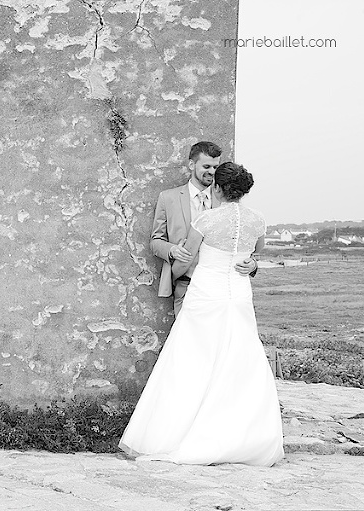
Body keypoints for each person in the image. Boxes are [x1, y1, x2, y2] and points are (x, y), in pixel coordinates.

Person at [118, 162, 284, 466]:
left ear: (218, 189)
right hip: (238, 295)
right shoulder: (257, 220)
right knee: (239, 358)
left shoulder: (207, 221)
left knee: (193, 360)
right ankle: (241, 437)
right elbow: (255, 250)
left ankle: (179, 435)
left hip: (206, 294)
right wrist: (251, 264)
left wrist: (170, 278)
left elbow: (187, 257)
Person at [150, 142, 258, 316]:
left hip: (220, 290)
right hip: (185, 284)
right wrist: (172, 250)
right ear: (192, 165)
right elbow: (155, 241)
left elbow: (241, 240)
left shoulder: (228, 202)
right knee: (188, 340)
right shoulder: (168, 198)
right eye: (206, 166)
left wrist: (253, 264)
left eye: (216, 167)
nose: (212, 172)